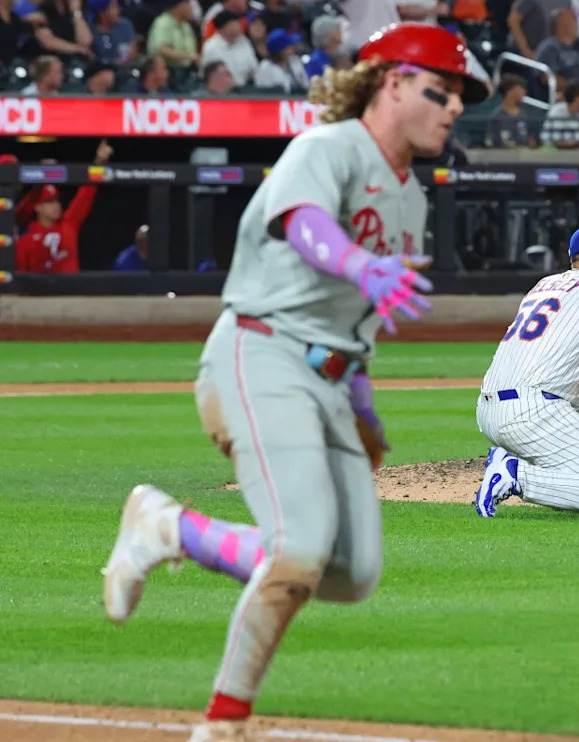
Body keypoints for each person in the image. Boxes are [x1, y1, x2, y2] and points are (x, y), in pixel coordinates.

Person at [100, 23, 487, 742]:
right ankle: (224, 725)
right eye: (443, 90)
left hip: (331, 382)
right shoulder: (328, 147)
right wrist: (357, 263)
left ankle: (168, 528)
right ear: (391, 82)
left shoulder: (412, 196)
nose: (455, 106)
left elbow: (357, 323)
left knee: (350, 570)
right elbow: (305, 225)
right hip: (259, 352)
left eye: (461, 95)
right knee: (301, 546)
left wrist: (364, 405)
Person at [473, 219, 579, 520]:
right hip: (534, 416)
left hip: (488, 411)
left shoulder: (543, 286)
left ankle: (520, 469)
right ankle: (514, 474)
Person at [15, 139, 113, 273]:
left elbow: (87, 192)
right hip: (40, 293)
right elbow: (20, 280)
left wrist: (99, 162)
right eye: (49, 202)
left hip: (70, 292)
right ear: (37, 207)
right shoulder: (25, 240)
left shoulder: (68, 224)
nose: (56, 205)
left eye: (56, 200)